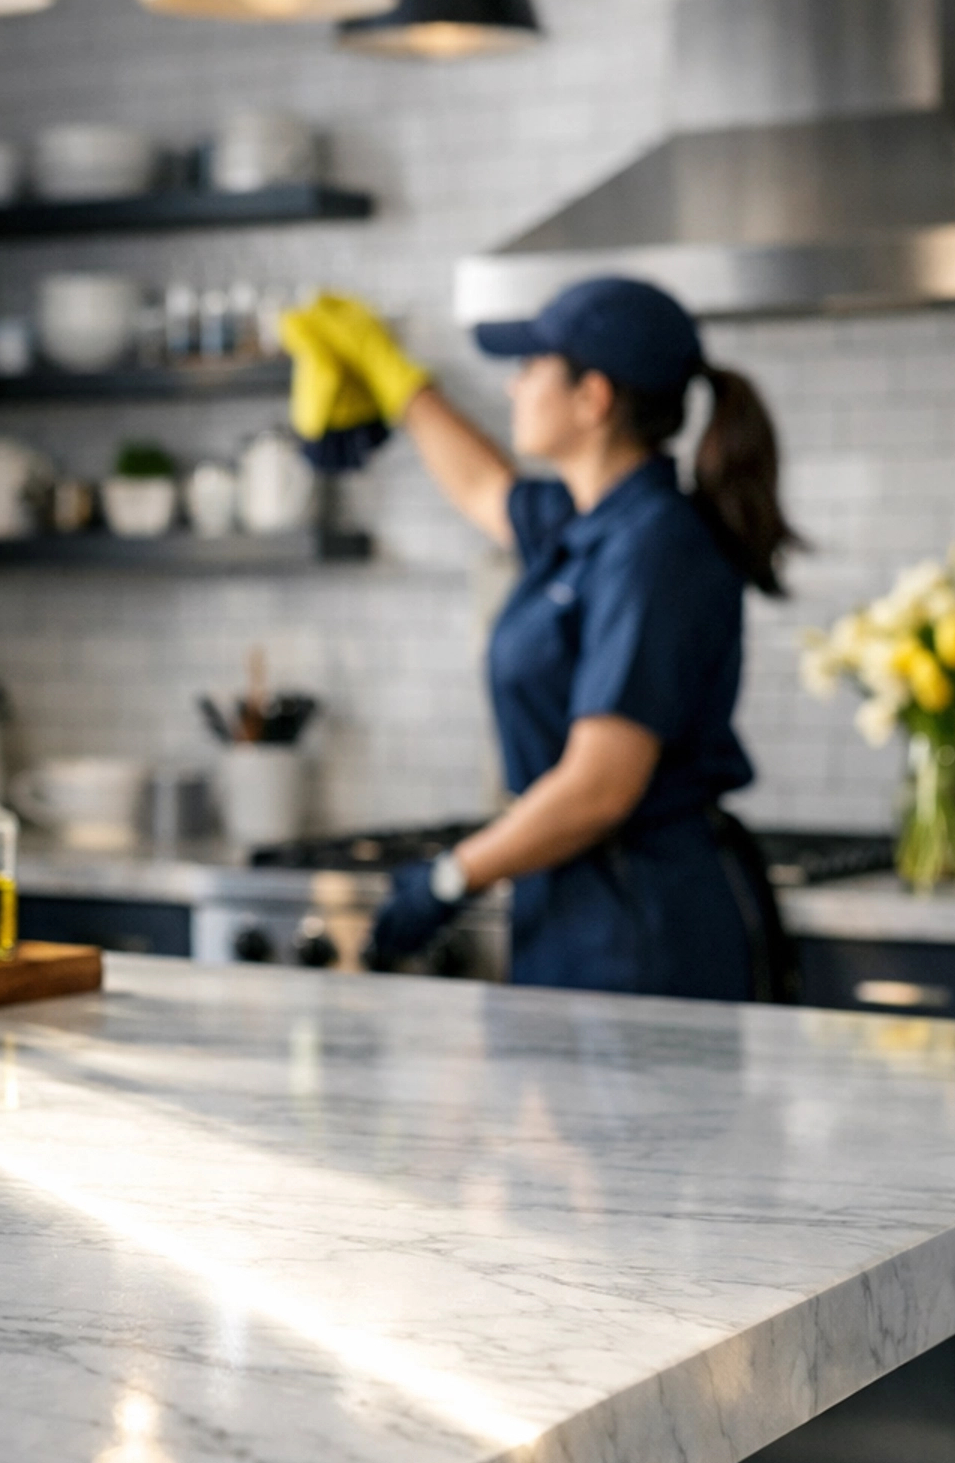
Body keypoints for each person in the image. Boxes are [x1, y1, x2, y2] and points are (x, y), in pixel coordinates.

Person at [281, 278, 801, 1000]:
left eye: (531, 368)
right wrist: (394, 380)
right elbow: (481, 487)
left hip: (643, 926)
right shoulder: (585, 523)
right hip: (574, 905)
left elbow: (599, 787)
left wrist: (448, 877)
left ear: (594, 398)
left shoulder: (654, 549)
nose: (513, 386)